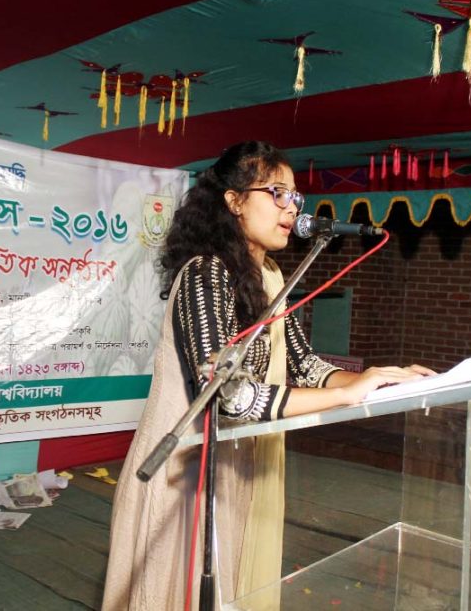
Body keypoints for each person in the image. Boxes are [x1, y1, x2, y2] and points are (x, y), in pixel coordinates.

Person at [102, 141, 433, 610]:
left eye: (295, 197)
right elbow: (229, 398)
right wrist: (346, 397)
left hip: (235, 471)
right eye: (276, 193)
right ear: (234, 201)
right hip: (187, 481)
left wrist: (381, 377)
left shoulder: (271, 275)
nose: (291, 208)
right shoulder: (205, 274)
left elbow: (306, 366)